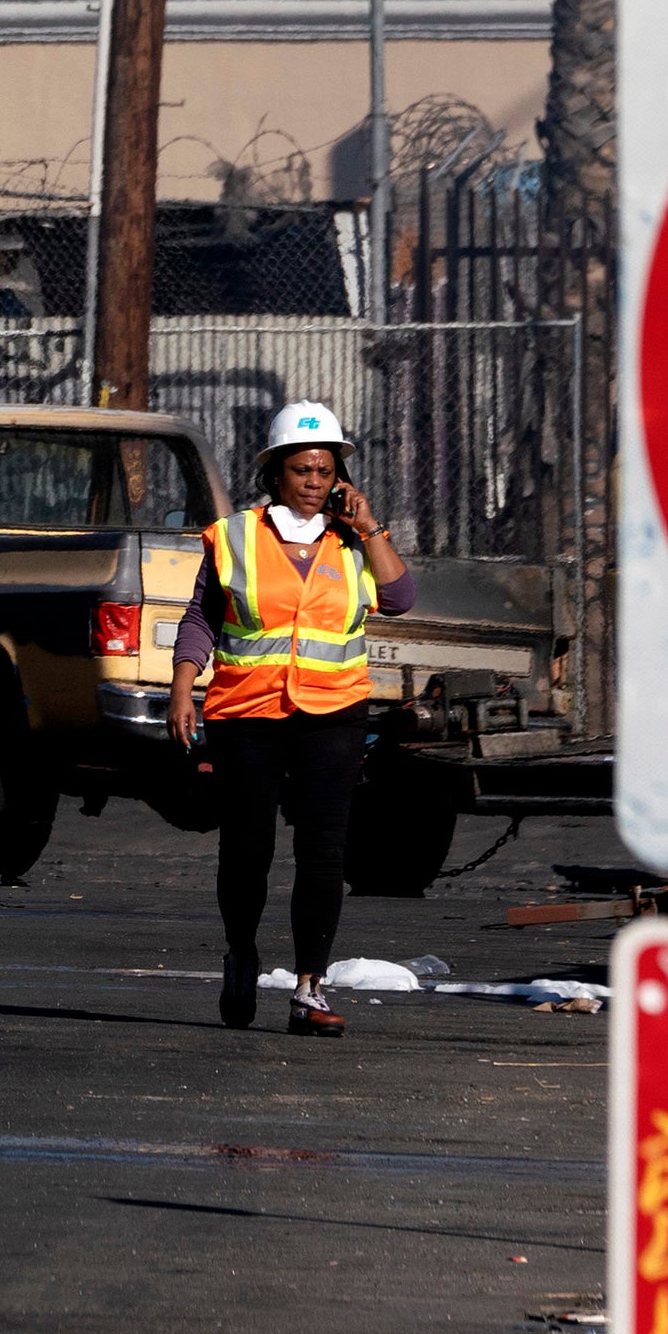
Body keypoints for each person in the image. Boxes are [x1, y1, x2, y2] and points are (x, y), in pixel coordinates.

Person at [176, 400, 412, 1033]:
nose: (316, 481)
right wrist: (183, 685)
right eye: (303, 469)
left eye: (326, 469)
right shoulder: (235, 536)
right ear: (275, 472)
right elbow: (202, 614)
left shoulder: (351, 539)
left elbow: (400, 597)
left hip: (333, 712)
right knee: (250, 847)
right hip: (247, 711)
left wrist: (370, 527)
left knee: (324, 851)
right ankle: (242, 953)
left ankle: (310, 988)